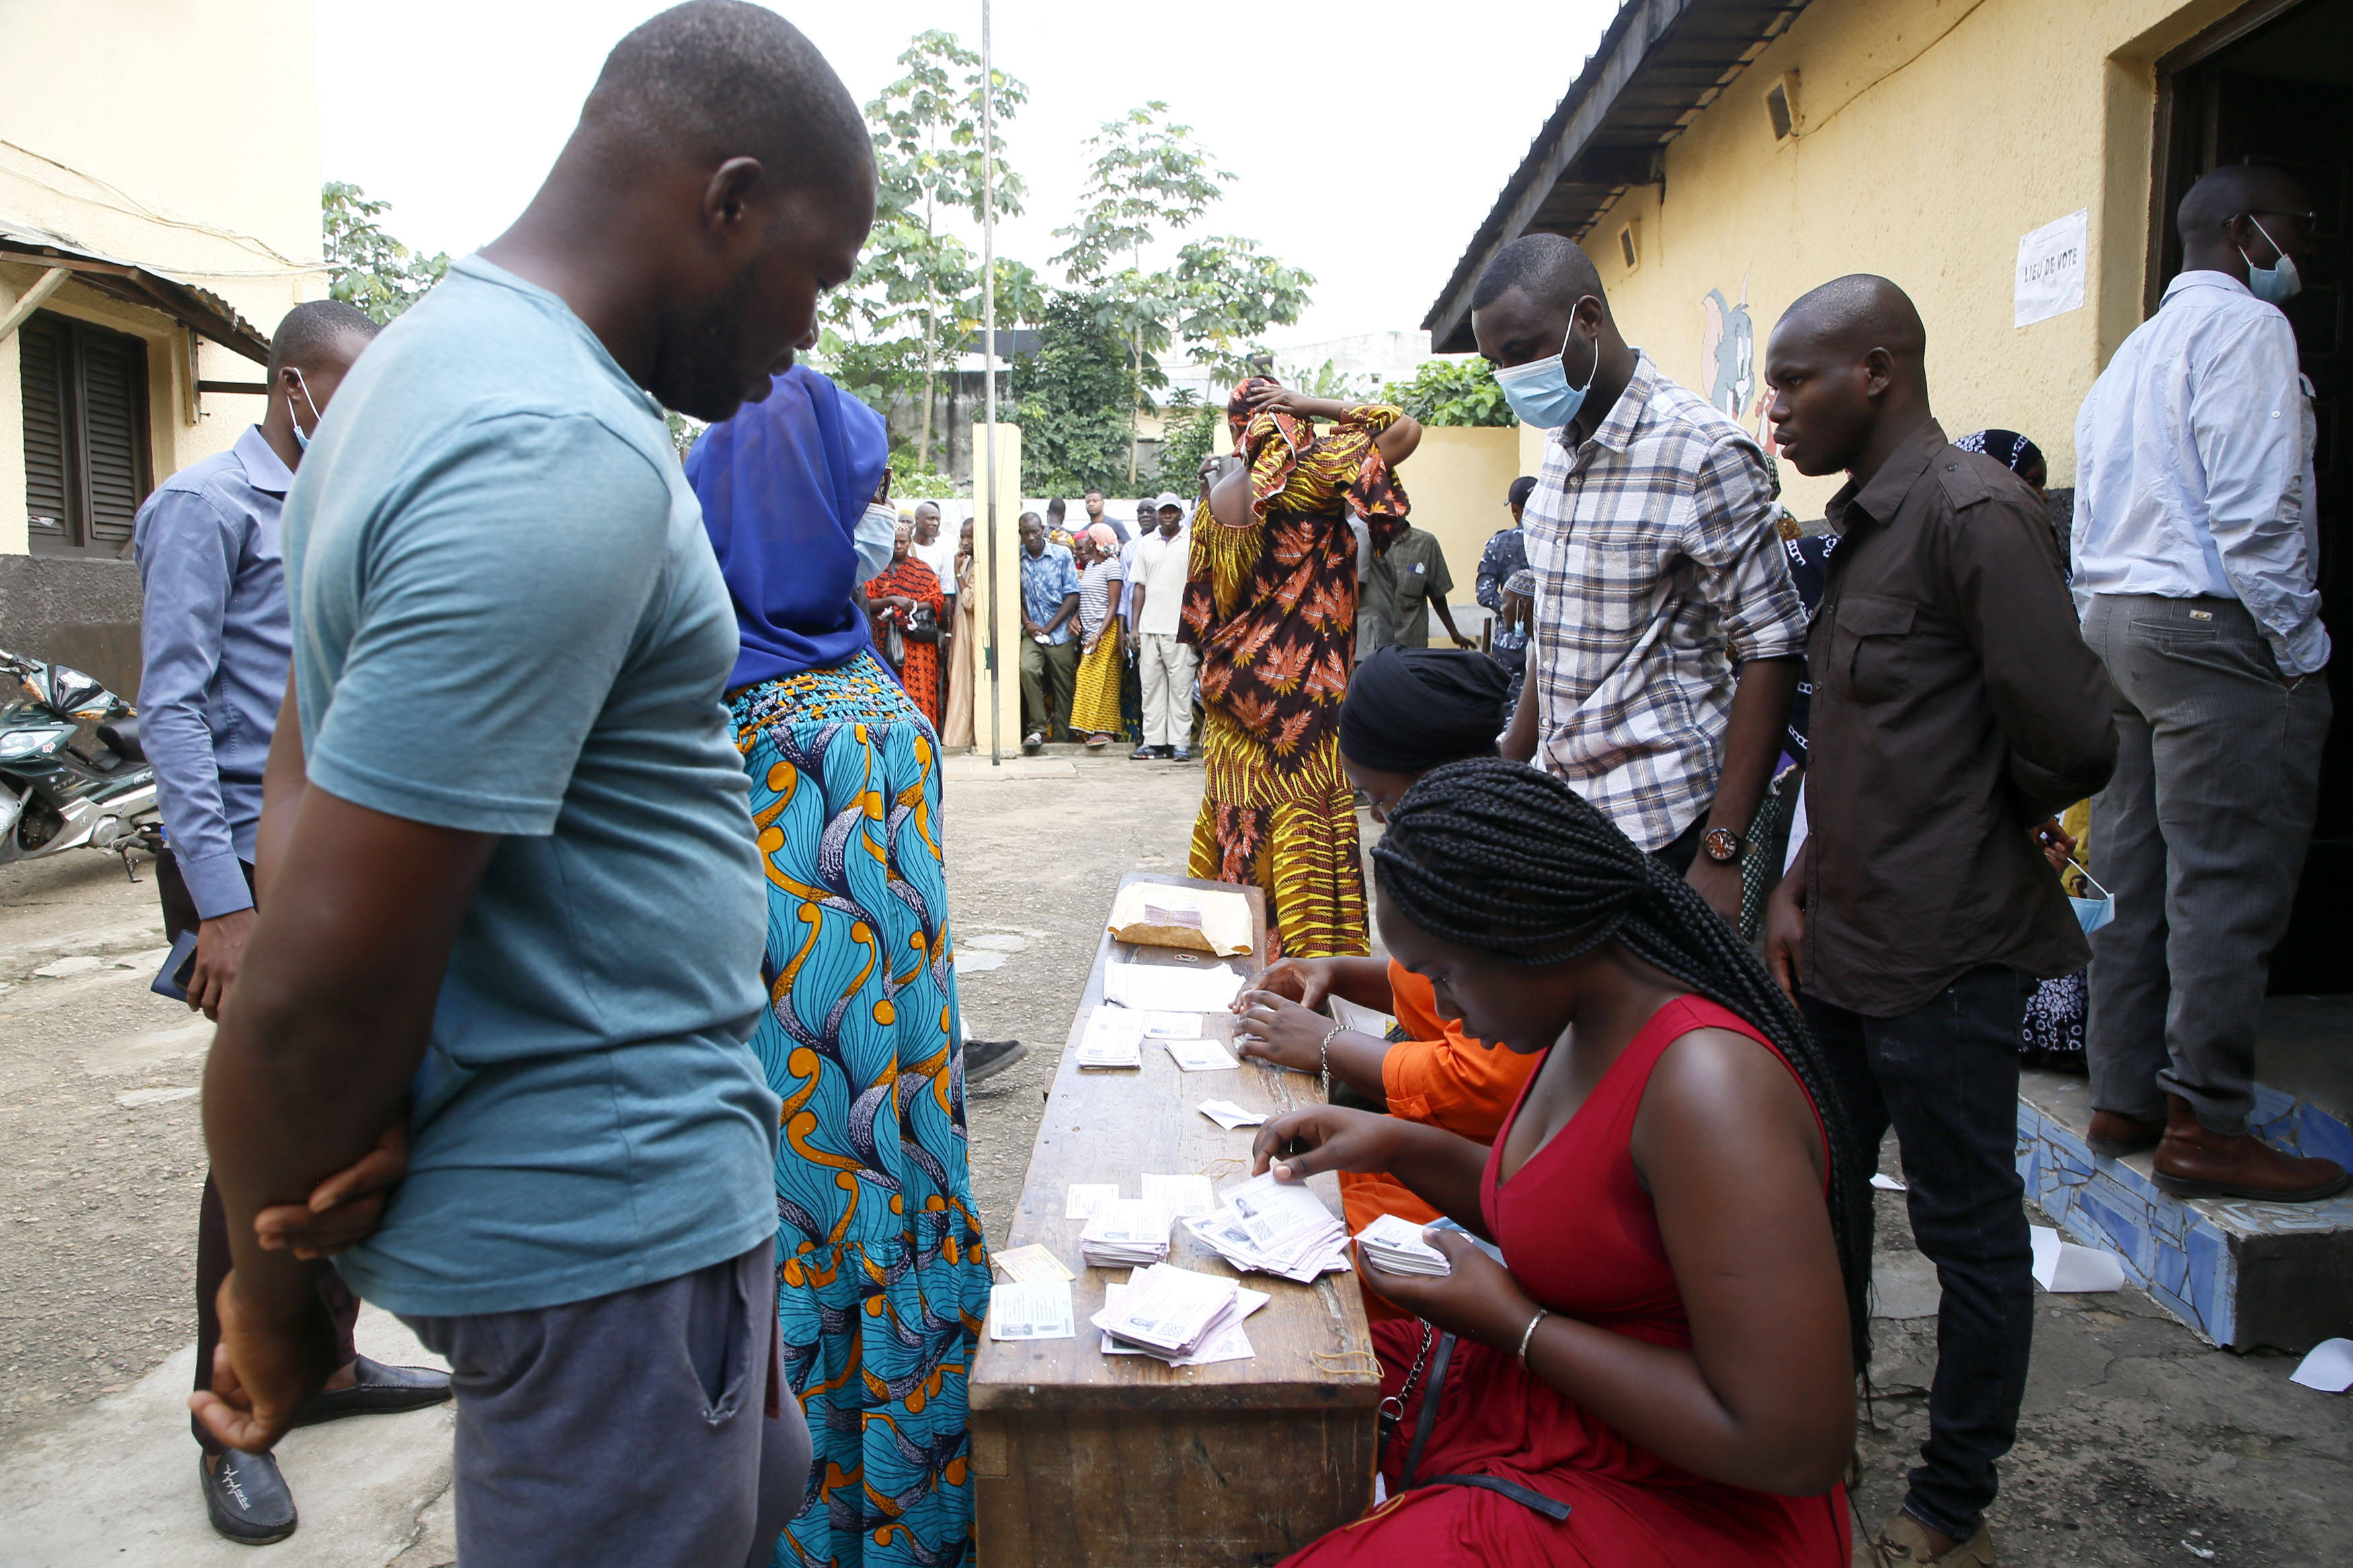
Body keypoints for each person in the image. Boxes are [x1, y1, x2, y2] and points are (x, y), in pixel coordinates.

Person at [188, 8, 865, 1563]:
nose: (811, 333)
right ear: (732, 199)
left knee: (760, 1484)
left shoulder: (414, 376)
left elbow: (306, 786)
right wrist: (277, 1292)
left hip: (621, 1203)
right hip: (602, 1219)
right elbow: (311, 986)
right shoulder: (551, 451)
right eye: (817, 276)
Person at [1255, 759, 1863, 1566]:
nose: (1439, 1010)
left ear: (1518, 923)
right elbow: (1569, 1216)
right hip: (1568, 1405)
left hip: (1688, 1498)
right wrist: (1394, 1141)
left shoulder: (1705, 1088)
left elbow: (1791, 1441)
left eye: (1443, 975)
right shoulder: (1581, 1014)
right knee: (1272, 1377)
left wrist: (1518, 1325)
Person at [1759, 275, 2118, 1568]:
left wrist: (1978, 810)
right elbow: (1857, 737)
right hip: (1844, 937)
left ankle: (1952, 1500)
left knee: (1968, 1228)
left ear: (1881, 368)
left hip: (1947, 949)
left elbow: (2076, 734)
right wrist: (1797, 881)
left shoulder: (1977, 514)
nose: (1776, 408)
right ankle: (1823, 1440)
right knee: (1821, 1196)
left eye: (1796, 380)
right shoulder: (1861, 526)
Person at [132, 299, 450, 1545]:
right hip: (245, 878)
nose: (367, 411)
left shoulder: (347, 507)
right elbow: (173, 711)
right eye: (350, 386)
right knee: (261, 1138)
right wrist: (222, 907)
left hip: (334, 865)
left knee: (354, 1111)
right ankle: (232, 1413)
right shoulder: (206, 509)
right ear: (290, 384)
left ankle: (329, 1363)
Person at [687, 364, 993, 1568]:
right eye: (852, 493)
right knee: (805, 1358)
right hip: (810, 1129)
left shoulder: (825, 648)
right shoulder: (690, 697)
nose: (868, 521)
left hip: (900, 1104)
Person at [2071, 165, 2346, 1204]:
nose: (2305, 246)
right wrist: (2298, 646)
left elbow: (2093, 515)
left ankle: (2125, 1095)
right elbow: (2260, 505)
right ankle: (2208, 1128)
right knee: (2225, 883)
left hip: (2117, 627)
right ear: (2244, 233)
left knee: (2131, 877)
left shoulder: (2132, 352)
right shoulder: (2250, 333)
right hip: (2212, 628)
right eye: (2296, 226)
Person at [1472, 233, 1804, 925]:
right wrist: (1510, 755)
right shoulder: (1557, 448)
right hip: (1568, 814)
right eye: (1496, 361)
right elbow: (1555, 628)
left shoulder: (1702, 452)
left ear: (1587, 318)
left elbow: (1771, 649)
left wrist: (1720, 850)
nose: (1511, 374)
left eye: (1525, 349)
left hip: (1666, 822)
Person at [1234, 646, 1533, 1313]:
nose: (1374, 814)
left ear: (1436, 773)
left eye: (1381, 797)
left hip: (1475, 1174)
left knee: (1315, 1282)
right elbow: (1429, 985)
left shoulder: (1505, 876)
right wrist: (1337, 972)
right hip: (1449, 1157)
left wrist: (1328, 1046)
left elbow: (1489, 1074)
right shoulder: (1461, 848)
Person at [1182, 377, 1420, 958]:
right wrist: (1316, 404)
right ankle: (1311, 966)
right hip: (1305, 696)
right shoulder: (1314, 474)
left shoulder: (1213, 502)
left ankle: (1241, 957)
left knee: (1241, 806)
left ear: (1238, 427)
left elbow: (1198, 617)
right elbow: (1403, 427)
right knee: (1304, 810)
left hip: (1231, 695)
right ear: (1288, 417)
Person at [1127, 492, 1197, 760]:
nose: (1167, 515)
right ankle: (1154, 743)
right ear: (1158, 514)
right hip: (1149, 628)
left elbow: (1197, 587)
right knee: (1152, 687)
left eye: (1172, 511)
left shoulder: (1190, 541)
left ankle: (1180, 743)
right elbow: (1139, 587)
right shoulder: (1146, 544)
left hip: (1179, 628)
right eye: (1163, 511)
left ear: (1180, 513)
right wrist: (1134, 627)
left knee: (1180, 687)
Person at [866, 519, 947, 731]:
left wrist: (907, 608)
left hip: (917, 643)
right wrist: (893, 601)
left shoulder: (923, 570)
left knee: (920, 690)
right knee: (889, 691)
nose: (898, 547)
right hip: (883, 642)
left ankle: (924, 734)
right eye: (894, 542)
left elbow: (936, 600)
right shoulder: (876, 570)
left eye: (903, 542)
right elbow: (867, 602)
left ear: (910, 542)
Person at [1360, 520, 1476, 655]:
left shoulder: (1426, 543)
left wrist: (1455, 634)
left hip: (1411, 646)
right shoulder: (1368, 539)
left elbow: (1437, 594)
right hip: (1377, 646)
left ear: (1407, 509)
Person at [1018, 511, 1081, 749]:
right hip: (1032, 634)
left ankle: (1063, 741)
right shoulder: (1018, 559)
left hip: (1060, 632)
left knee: (1064, 684)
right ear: (1021, 535)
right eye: (1027, 533)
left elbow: (1073, 595)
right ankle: (1039, 730)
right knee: (1027, 669)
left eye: (1036, 531)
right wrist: (1029, 624)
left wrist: (1048, 627)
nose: (1032, 537)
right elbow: (1016, 596)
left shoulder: (1061, 554)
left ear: (1043, 529)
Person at [1477, 476, 1537, 705]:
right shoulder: (1556, 541)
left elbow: (1484, 593)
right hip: (1550, 637)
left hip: (1511, 640)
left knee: (1512, 705)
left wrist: (1512, 613)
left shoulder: (1499, 543)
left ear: (1515, 509)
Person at [1067, 522, 1127, 747]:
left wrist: (1100, 634)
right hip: (1090, 631)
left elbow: (1113, 605)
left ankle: (1106, 731)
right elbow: (1085, 600)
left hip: (1105, 631)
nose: (1086, 543)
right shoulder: (1091, 566)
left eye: (1090, 539)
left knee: (1104, 681)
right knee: (1089, 680)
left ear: (1096, 542)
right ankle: (1089, 729)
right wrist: (1077, 619)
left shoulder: (1112, 567)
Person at [943, 515, 978, 747]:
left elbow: (970, 600)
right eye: (963, 537)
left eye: (970, 537)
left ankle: (964, 736)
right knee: (957, 679)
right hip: (961, 629)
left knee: (968, 681)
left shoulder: (979, 565)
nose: (965, 542)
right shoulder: (966, 562)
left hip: (972, 631)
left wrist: (958, 574)